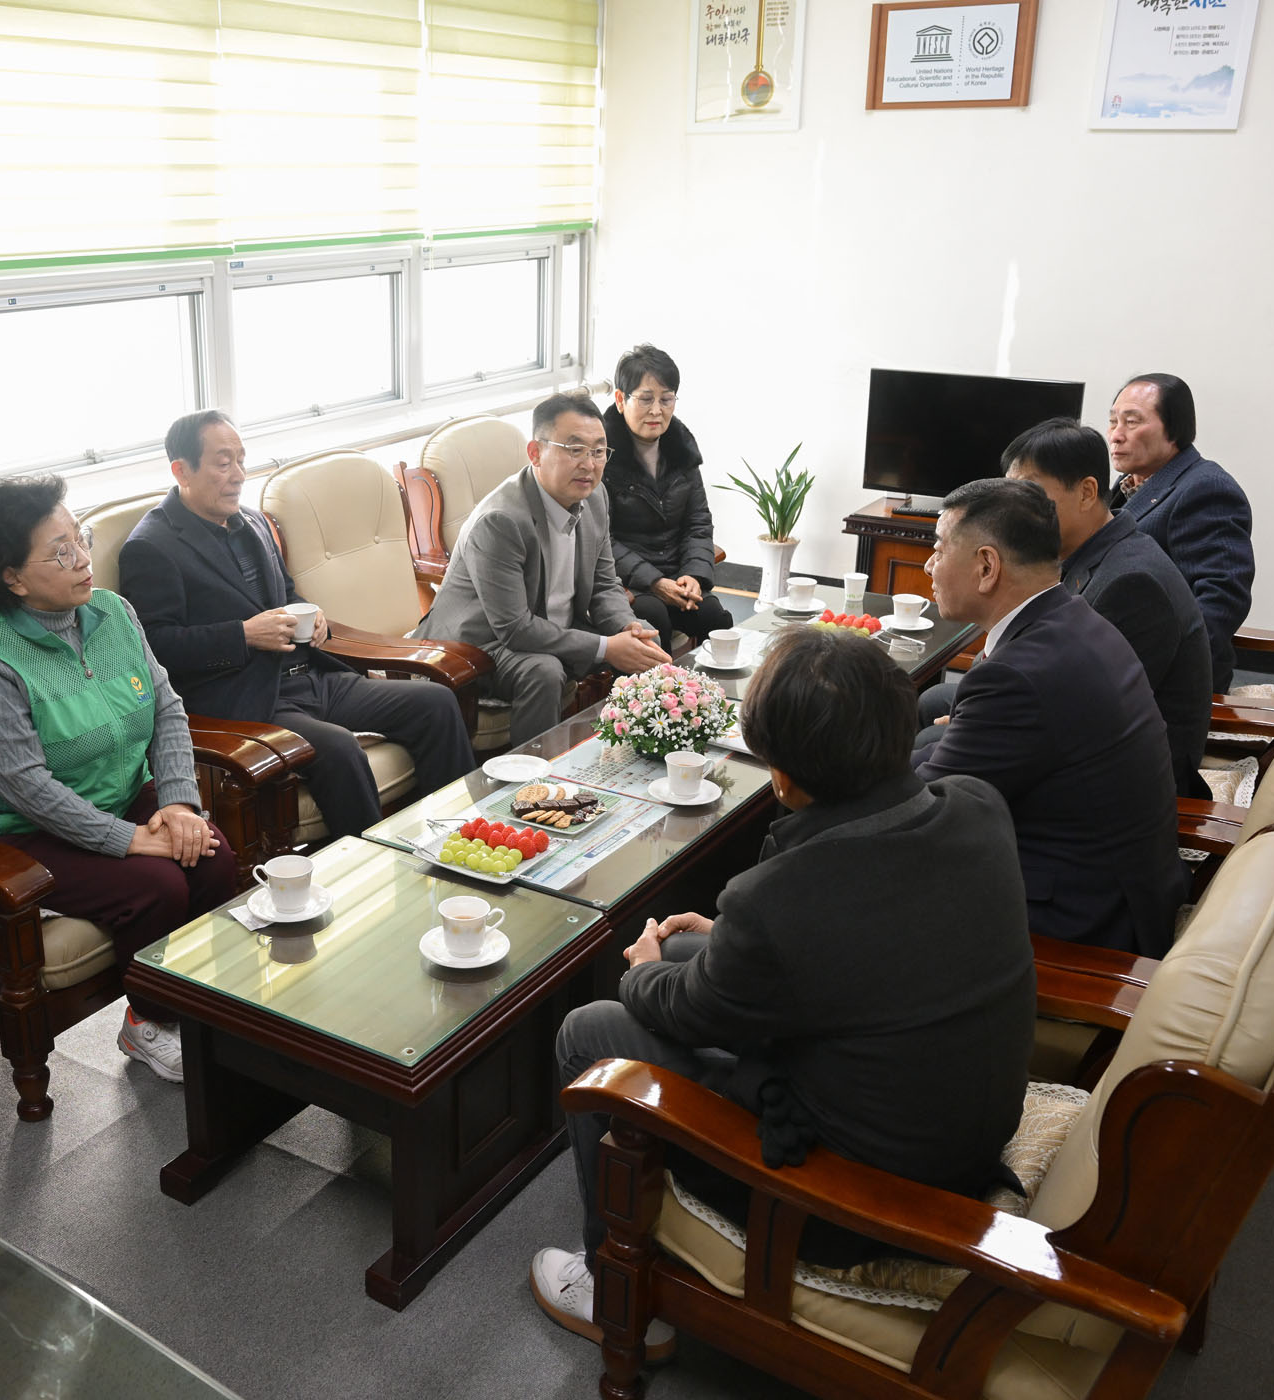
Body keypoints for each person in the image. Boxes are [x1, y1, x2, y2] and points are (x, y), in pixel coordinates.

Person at [530, 627, 1035, 1355]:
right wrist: (724, 944)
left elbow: (689, 1006)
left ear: (785, 780)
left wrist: (641, 971)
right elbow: (871, 933)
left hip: (856, 1198)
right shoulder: (975, 804)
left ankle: (610, 1285)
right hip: (958, 1134)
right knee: (691, 948)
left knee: (591, 1029)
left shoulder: (780, 899)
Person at [0, 475, 237, 1084]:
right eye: (60, 552)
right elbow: (27, 787)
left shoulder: (113, 612)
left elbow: (166, 709)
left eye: (80, 538)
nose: (82, 559)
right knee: (156, 885)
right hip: (15, 831)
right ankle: (148, 1021)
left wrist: (179, 804)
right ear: (13, 578)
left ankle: (200, 1003)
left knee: (211, 855)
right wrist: (131, 840)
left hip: (117, 792)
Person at [118, 411, 477, 840]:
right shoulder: (151, 547)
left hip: (312, 677)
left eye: (241, 460)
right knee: (340, 748)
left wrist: (314, 615)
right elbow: (156, 646)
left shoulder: (252, 521)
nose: (238, 475)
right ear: (182, 470)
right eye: (223, 463)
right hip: (249, 701)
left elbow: (287, 594)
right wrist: (243, 636)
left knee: (436, 703)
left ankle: (460, 839)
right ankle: (371, 864)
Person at [914, 478, 1187, 957]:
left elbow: (925, 816)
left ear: (986, 566)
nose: (929, 565)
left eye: (938, 549)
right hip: (1121, 883)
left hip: (1078, 923)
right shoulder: (1078, 618)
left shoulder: (1017, 676)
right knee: (921, 744)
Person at [414, 393, 670, 745]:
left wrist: (628, 628)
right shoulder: (501, 521)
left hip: (550, 626)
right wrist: (607, 647)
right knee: (544, 671)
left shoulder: (595, 497)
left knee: (647, 639)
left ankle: (632, 756)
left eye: (599, 451)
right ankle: (534, 773)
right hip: (479, 644)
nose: (589, 464)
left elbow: (604, 584)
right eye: (575, 449)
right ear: (535, 453)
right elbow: (515, 628)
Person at [1003, 418, 1214, 799]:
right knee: (939, 708)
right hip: (1077, 726)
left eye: (1029, 493)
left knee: (936, 737)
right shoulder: (1092, 552)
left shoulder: (1132, 584)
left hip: (1126, 779)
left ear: (1086, 492)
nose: (1013, 511)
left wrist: (992, 720)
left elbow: (1092, 713)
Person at [1106, 373, 1255, 692]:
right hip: (1116, 654)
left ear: (1174, 429)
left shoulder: (1206, 489)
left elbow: (1220, 600)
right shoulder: (1129, 485)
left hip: (1161, 682)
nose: (1116, 435)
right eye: (1113, 421)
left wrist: (1147, 676)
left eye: (1131, 422)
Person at [600, 344, 733, 652]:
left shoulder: (681, 447)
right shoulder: (601, 455)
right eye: (645, 399)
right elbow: (601, 539)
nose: (657, 410)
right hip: (627, 582)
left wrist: (694, 574)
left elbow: (698, 522)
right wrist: (654, 582)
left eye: (666, 399)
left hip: (677, 572)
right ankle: (664, 685)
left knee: (713, 616)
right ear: (620, 399)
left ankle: (712, 685)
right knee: (654, 617)